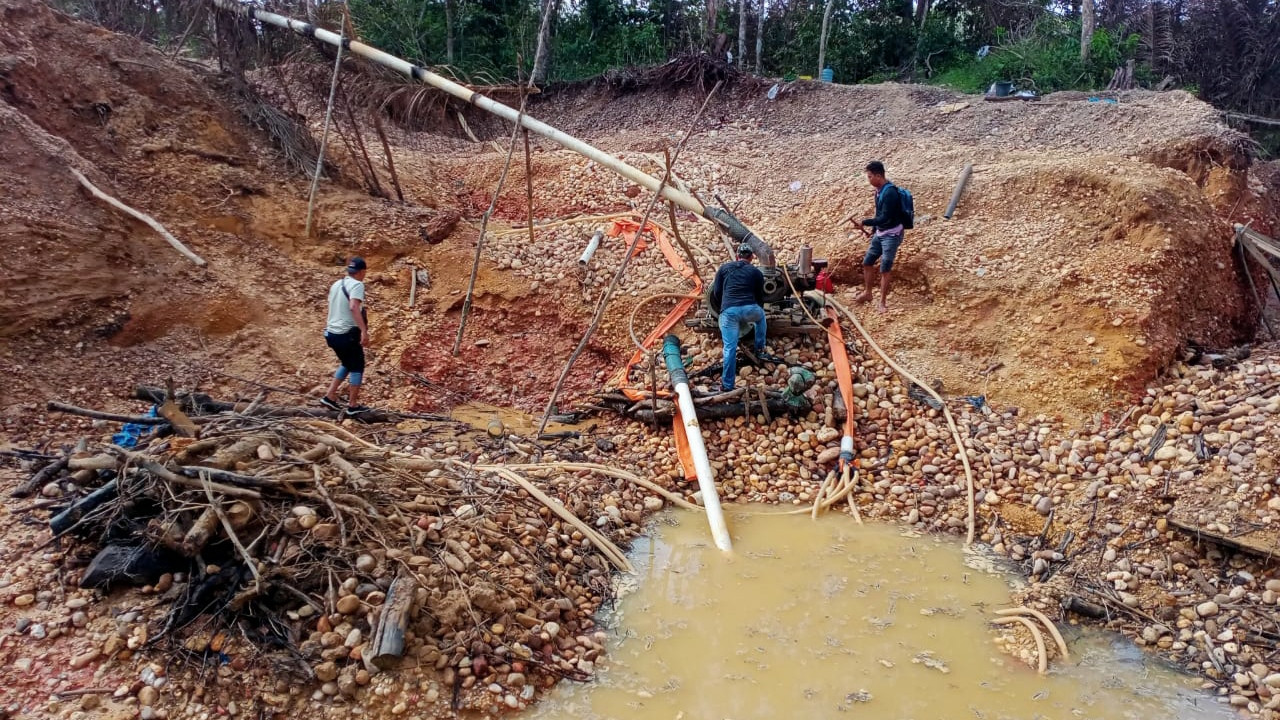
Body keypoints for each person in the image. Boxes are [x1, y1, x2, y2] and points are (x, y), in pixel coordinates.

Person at [710, 243, 766, 392]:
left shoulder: (724, 268)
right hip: (750, 309)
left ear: (737, 256)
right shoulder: (756, 272)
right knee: (761, 317)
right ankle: (760, 349)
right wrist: (757, 308)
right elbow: (760, 296)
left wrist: (723, 307)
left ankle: (727, 385)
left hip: (729, 312)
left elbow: (716, 292)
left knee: (730, 348)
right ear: (752, 257)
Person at [857, 160, 909, 312]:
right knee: (867, 262)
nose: (869, 180)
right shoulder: (879, 191)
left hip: (891, 235)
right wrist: (873, 229)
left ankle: (883, 302)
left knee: (885, 268)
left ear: (878, 176)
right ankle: (868, 293)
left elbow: (885, 217)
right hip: (880, 233)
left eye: (870, 177)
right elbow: (878, 213)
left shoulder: (890, 193)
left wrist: (865, 222)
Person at [321, 257, 370, 412]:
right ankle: (352, 406)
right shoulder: (357, 285)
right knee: (357, 366)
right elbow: (353, 306)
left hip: (331, 333)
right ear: (362, 272)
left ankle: (329, 396)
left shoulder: (336, 284)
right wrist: (363, 331)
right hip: (345, 334)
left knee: (347, 363)